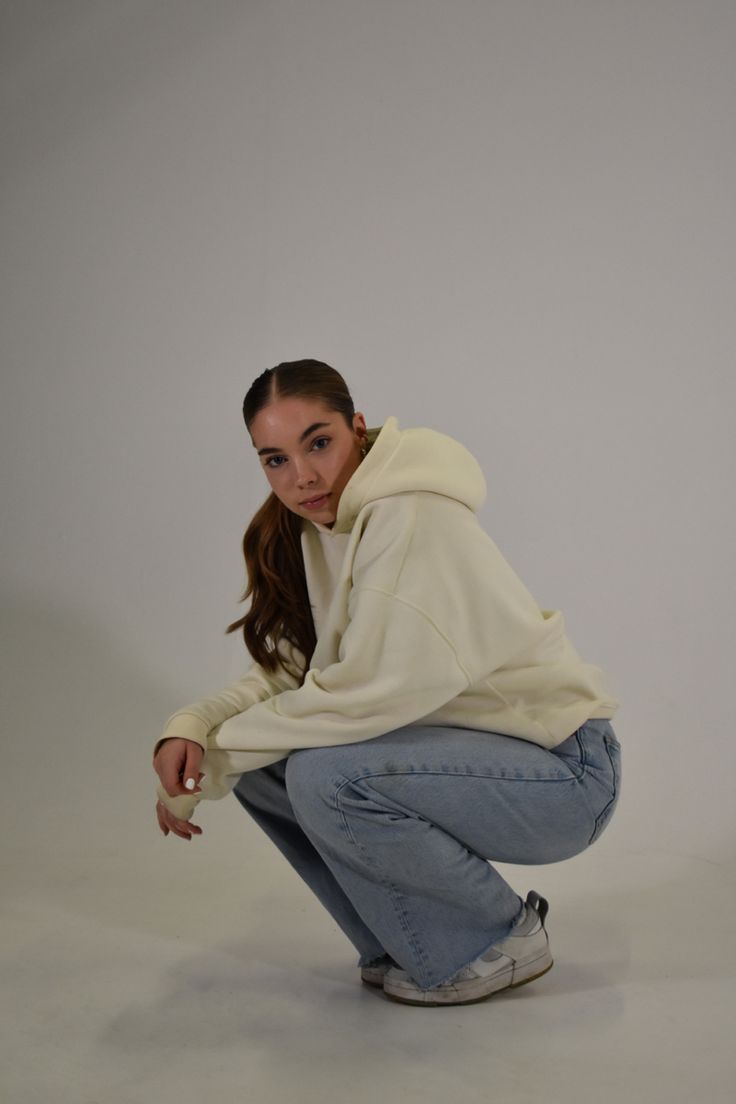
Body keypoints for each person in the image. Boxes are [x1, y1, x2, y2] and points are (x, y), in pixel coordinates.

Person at [152, 359, 621, 1007]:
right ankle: (409, 941)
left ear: (358, 429)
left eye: (318, 443)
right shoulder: (316, 527)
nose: (303, 477)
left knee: (322, 774)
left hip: (564, 772)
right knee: (274, 766)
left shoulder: (411, 515)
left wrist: (220, 761)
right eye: (275, 459)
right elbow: (295, 671)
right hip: (478, 761)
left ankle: (494, 939)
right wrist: (196, 730)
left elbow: (370, 693)